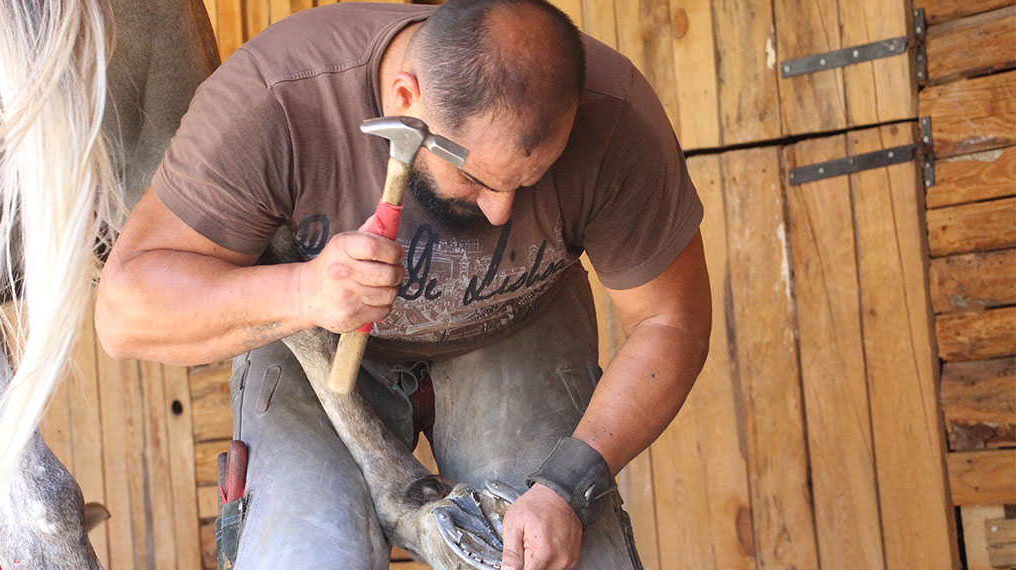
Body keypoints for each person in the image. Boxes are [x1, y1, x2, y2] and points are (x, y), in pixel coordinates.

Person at [95, 0, 711, 568]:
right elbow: (124, 314)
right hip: (313, 350)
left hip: (517, 330)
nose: (501, 211)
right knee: (308, 555)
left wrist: (568, 485)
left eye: (527, 182)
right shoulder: (275, 99)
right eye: (477, 179)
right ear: (404, 97)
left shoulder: (614, 116)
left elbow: (670, 321)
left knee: (556, 557)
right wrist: (304, 292)